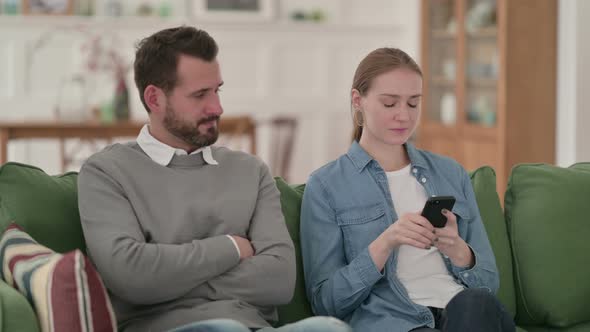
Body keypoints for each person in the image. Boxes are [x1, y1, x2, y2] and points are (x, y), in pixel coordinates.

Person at [77, 26, 351, 332]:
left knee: (329, 328)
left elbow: (279, 280)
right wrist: (231, 247)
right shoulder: (106, 173)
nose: (217, 108)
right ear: (154, 98)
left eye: (217, 90)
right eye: (200, 95)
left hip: (255, 328)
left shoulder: (250, 171)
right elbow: (132, 277)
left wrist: (168, 282)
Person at [300, 48, 515, 332]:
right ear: (358, 100)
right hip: (394, 322)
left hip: (467, 315)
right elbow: (326, 302)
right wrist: (385, 243)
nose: (404, 116)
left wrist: (457, 249)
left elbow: (489, 284)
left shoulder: (451, 173)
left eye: (413, 103)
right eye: (390, 104)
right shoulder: (326, 186)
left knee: (474, 303)